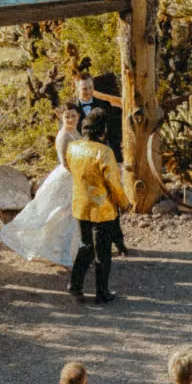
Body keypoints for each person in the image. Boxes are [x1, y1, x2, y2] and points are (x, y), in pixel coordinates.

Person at [0, 107, 81, 266]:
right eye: (67, 117)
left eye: (73, 116)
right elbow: (65, 162)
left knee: (70, 216)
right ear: (62, 118)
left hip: (74, 176)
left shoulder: (75, 132)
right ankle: (53, 250)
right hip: (67, 176)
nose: (70, 119)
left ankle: (69, 250)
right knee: (57, 213)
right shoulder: (63, 136)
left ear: (78, 116)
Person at [66, 109, 128, 305]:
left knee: (85, 247)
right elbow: (114, 184)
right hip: (102, 209)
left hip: (80, 205)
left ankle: (75, 285)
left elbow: (70, 169)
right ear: (103, 130)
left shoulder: (73, 147)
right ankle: (102, 293)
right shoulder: (104, 152)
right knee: (102, 253)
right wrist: (124, 203)